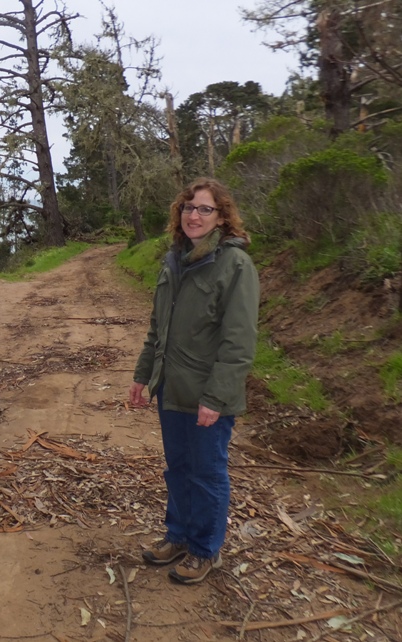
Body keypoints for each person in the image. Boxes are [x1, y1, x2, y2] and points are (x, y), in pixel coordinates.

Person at [129, 177, 259, 585]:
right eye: (188, 207)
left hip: (208, 394)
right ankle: (179, 536)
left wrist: (216, 397)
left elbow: (239, 341)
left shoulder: (235, 265)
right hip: (172, 387)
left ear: (222, 217)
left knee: (208, 473)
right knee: (179, 467)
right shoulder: (175, 259)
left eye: (205, 208)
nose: (194, 215)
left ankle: (205, 550)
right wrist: (143, 375)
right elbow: (157, 328)